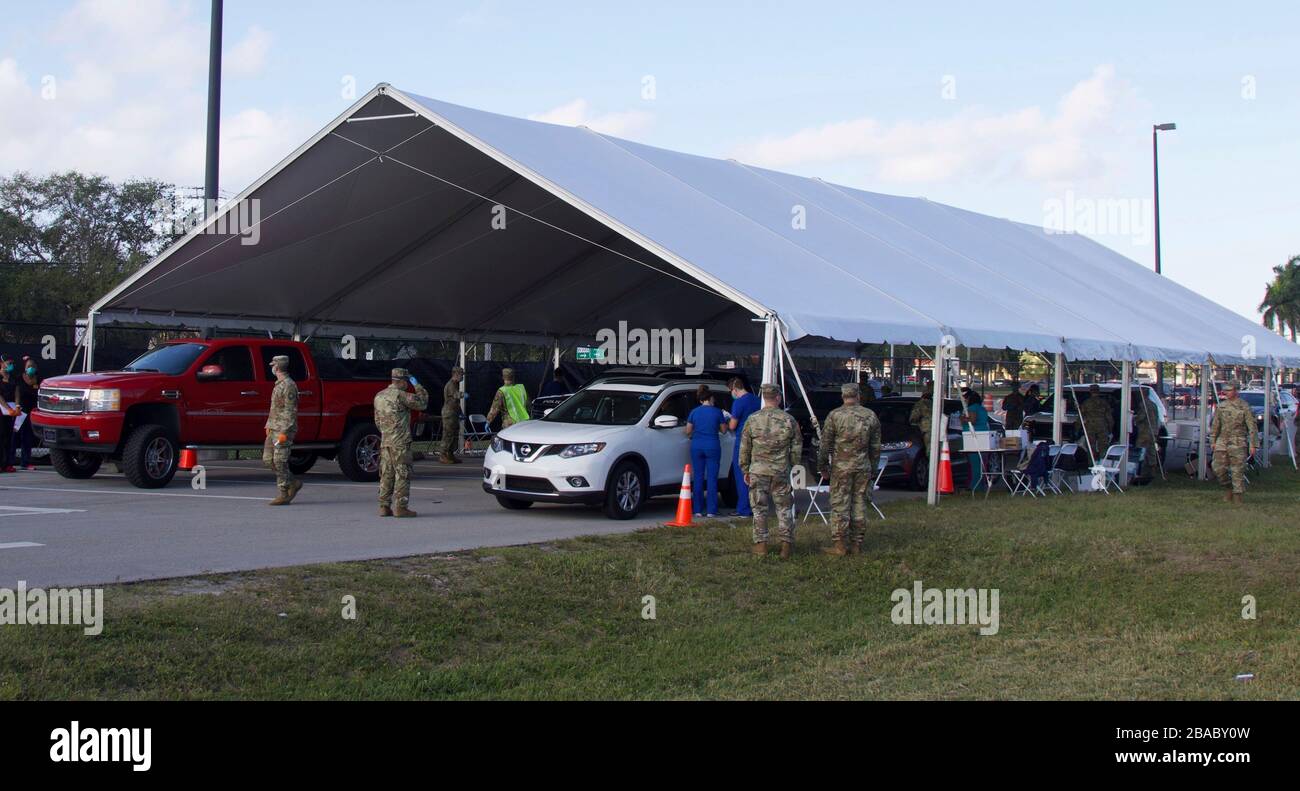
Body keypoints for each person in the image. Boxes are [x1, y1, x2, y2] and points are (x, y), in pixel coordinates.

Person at [818, 382, 881, 556]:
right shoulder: (870, 416)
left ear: (843, 396)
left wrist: (823, 466)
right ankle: (857, 544)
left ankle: (839, 544)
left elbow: (825, 444)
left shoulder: (834, 416)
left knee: (840, 505)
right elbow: (875, 447)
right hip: (863, 467)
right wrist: (873, 468)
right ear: (858, 395)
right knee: (859, 503)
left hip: (841, 468)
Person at [739, 384, 802, 558]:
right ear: (778, 398)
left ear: (763, 398)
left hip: (758, 470)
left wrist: (745, 469)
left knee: (759, 509)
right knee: (784, 509)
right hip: (781, 470)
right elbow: (797, 447)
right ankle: (786, 546)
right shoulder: (789, 419)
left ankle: (761, 546)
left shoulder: (752, 419)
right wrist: (793, 466)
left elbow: (745, 447)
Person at [374, 368, 429, 517]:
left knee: (386, 474)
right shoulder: (401, 395)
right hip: (400, 442)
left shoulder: (379, 396)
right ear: (403, 381)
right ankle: (401, 507)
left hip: (385, 441)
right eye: (407, 382)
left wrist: (387, 432)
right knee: (402, 474)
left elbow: (378, 422)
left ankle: (384, 506)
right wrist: (418, 386)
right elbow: (423, 403)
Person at [263, 355, 303, 506]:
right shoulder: (278, 384)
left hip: (283, 431)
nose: (272, 367)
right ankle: (293, 482)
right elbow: (275, 408)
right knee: (268, 459)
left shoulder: (289, 385)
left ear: (278, 367)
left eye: (273, 365)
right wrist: (268, 425)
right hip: (273, 428)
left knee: (279, 460)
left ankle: (284, 493)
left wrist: (284, 432)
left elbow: (290, 411)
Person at [1209, 380, 1256, 504]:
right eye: (1226, 390)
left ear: (1236, 391)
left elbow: (1252, 426)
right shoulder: (1221, 406)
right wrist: (1212, 440)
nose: (1226, 392)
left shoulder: (1244, 406)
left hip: (1238, 441)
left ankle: (1237, 495)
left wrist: (1253, 444)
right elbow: (1215, 425)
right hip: (1222, 440)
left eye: (1229, 390)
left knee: (1237, 469)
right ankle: (1228, 487)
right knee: (1217, 468)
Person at [685, 385, 726, 517]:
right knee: (712, 478)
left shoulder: (694, 412)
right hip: (712, 446)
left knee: (698, 477)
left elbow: (688, 431)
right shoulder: (717, 412)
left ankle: (697, 509)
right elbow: (724, 430)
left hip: (697, 446)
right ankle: (711, 510)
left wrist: (694, 435)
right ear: (710, 398)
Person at [726, 377, 760, 517]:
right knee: (755, 474)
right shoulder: (757, 400)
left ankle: (743, 508)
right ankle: (756, 506)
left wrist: (726, 419)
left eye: (731, 391)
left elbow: (732, 426)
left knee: (741, 475)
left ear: (734, 389)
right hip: (756, 440)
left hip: (742, 440)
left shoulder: (738, 403)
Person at [12, 360, 40, 469]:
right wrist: (17, 407)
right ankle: (9, 461)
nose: (31, 368)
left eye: (33, 366)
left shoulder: (39, 379)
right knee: (14, 436)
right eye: (28, 366)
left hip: (32, 412)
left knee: (27, 437)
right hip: (20, 412)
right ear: (25, 367)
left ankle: (25, 462)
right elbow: (17, 394)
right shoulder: (19, 379)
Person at [961, 389, 990, 492]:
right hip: (983, 436)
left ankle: (975, 486)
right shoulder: (982, 409)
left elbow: (972, 420)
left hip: (974, 437)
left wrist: (962, 418)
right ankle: (981, 485)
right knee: (982, 463)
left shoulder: (972, 408)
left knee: (975, 463)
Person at [1078, 385, 1112, 465]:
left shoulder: (1086, 403)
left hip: (1090, 426)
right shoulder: (1104, 403)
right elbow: (1109, 418)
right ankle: (1102, 465)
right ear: (1098, 391)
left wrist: (1077, 428)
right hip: (1102, 426)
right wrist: (1110, 429)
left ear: (1090, 391)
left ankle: (1092, 465)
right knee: (1103, 447)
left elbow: (1081, 416)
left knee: (1090, 447)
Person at [439, 366, 464, 464]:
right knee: (448, 434)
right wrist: (463, 394)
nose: (462, 377)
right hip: (449, 413)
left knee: (454, 434)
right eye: (461, 375)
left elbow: (455, 402)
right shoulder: (451, 384)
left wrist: (460, 412)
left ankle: (450, 454)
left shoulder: (455, 384)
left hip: (454, 412)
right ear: (456, 374)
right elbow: (456, 395)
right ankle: (443, 455)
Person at [1133, 393, 1161, 480]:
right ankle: (1152, 471)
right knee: (1151, 452)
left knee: (1140, 451)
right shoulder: (1153, 404)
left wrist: (1134, 419)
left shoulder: (1143, 404)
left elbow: (1141, 416)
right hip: (1153, 431)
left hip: (1145, 432)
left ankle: (1139, 472)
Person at [0, 355, 17, 474]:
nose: (10, 365)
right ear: (2, 363)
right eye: (8, 363)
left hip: (11, 411)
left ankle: (8, 464)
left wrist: (17, 407)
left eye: (12, 363)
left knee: (9, 438)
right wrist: (7, 408)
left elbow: (17, 392)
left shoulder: (13, 378)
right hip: (1, 410)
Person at [909, 381, 934, 457]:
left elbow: (913, 418)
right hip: (937, 430)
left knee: (930, 453)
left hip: (926, 431)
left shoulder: (921, 404)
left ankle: (930, 468)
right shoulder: (936, 403)